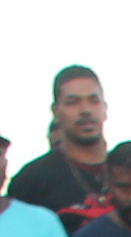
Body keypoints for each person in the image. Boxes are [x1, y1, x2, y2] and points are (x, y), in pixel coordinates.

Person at [8, 65, 112, 220]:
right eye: (73, 102)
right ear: (56, 111)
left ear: (105, 108)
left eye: (93, 100)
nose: (85, 110)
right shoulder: (32, 180)